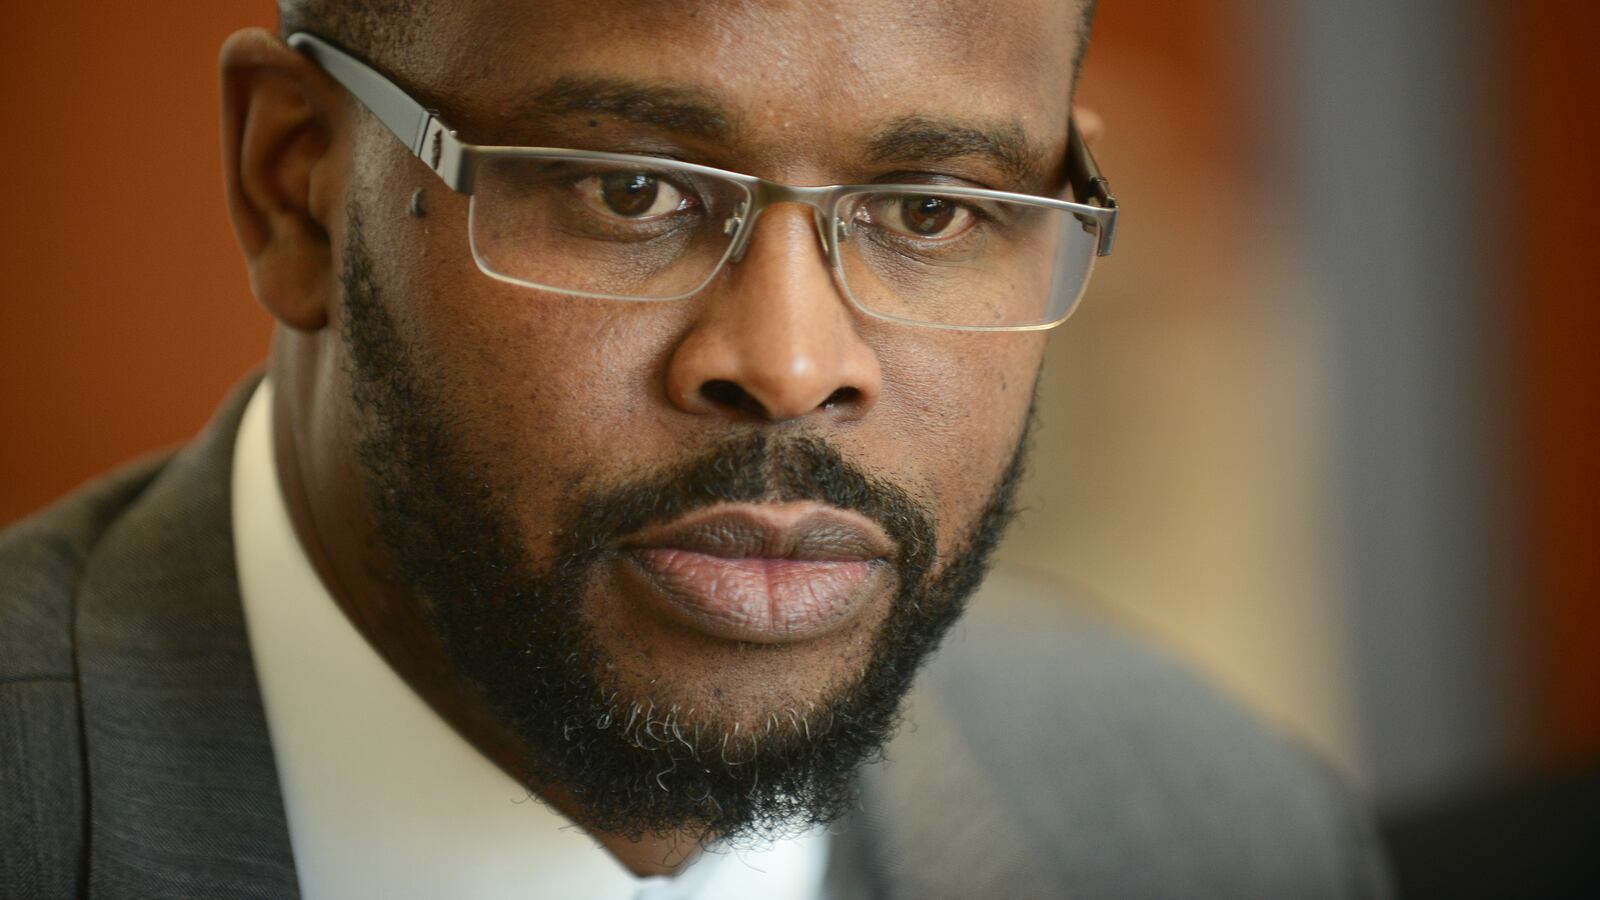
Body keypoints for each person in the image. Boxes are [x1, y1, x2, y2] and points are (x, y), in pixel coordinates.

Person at [0, 1, 1390, 896]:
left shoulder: (1224, 830)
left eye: (928, 212)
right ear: (295, 185)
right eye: (633, 188)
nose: (791, 368)